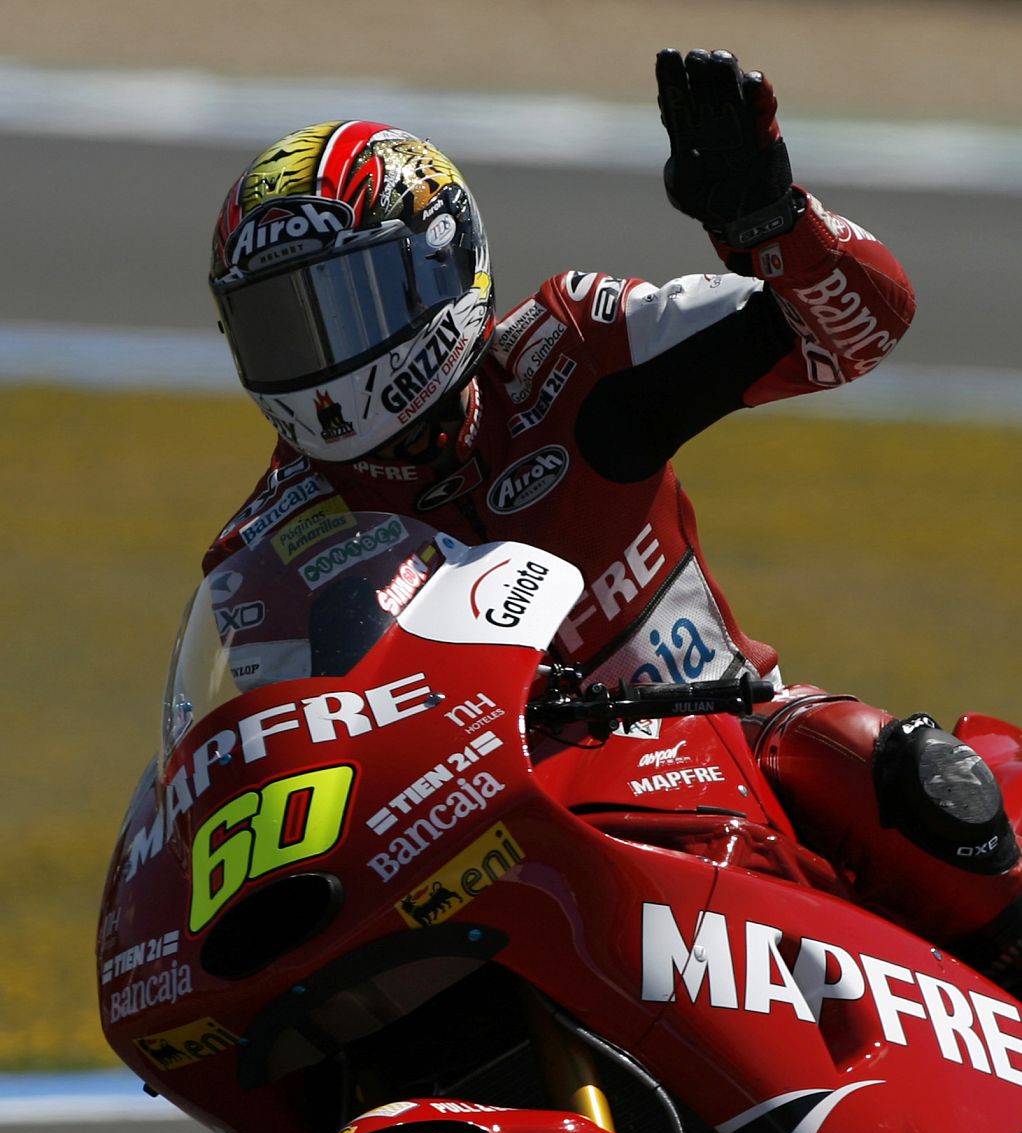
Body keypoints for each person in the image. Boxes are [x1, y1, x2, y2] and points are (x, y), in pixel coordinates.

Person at [203, 48, 1022, 984]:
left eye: (344, 307)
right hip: (500, 833)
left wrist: (769, 221)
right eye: (280, 325)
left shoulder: (572, 347)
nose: (320, 359)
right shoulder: (270, 546)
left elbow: (859, 330)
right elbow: (265, 799)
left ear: (440, 268)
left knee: (902, 776)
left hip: (730, 744)